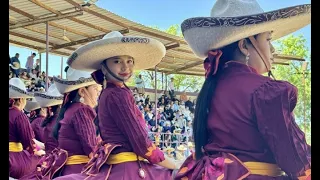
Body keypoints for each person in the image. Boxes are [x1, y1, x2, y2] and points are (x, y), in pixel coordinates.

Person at [175, 1, 311, 179]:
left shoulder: (211, 88)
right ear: (244, 46)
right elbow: (297, 161)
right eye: (268, 39)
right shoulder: (265, 91)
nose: (273, 49)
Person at [55, 31, 178, 179]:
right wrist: (173, 163)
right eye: (117, 61)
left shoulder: (110, 92)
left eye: (129, 61)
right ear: (104, 66)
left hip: (116, 165)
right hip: (128, 168)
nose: (125, 67)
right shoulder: (117, 94)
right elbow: (141, 142)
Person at [51, 67, 101, 176]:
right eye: (95, 89)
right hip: (79, 170)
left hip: (69, 169)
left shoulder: (72, 108)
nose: (98, 93)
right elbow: (92, 149)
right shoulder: (81, 111)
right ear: (82, 91)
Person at [9, 78, 43, 179]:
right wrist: (39, 151)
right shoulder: (19, 115)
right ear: (20, 100)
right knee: (43, 162)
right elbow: (29, 142)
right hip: (13, 160)